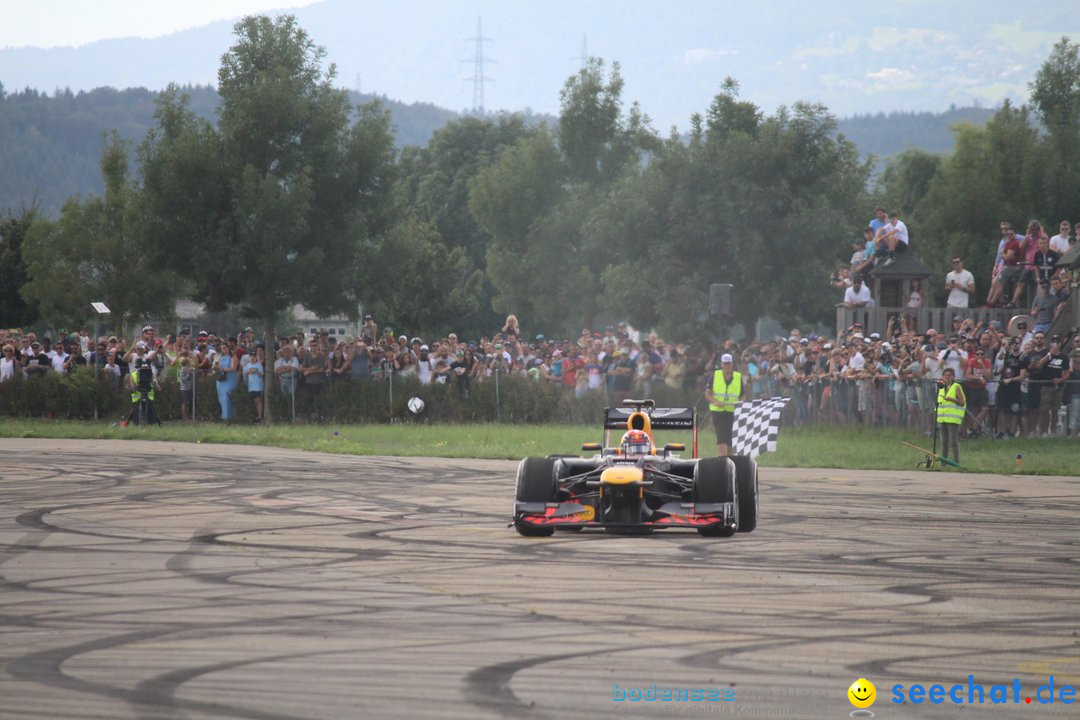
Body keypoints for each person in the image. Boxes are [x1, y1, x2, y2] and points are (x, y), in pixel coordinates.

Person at [705, 352, 747, 457]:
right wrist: (715, 402)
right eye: (725, 363)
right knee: (721, 436)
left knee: (730, 438)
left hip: (732, 411)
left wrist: (741, 403)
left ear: (732, 364)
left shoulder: (738, 377)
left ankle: (730, 458)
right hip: (717, 411)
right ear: (721, 364)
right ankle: (723, 459)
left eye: (729, 363)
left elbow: (743, 394)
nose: (727, 366)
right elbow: (708, 394)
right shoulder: (715, 375)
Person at [936, 368, 966, 464]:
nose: (947, 377)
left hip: (953, 417)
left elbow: (962, 402)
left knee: (953, 441)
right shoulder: (941, 387)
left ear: (953, 377)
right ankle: (943, 462)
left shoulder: (956, 387)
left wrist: (952, 399)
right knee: (944, 441)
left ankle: (956, 461)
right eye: (945, 375)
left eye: (949, 375)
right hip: (943, 417)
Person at [212, 339, 240, 421]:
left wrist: (222, 369)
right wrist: (215, 367)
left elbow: (233, 368)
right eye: (222, 348)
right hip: (221, 381)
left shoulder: (233, 357)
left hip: (230, 380)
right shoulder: (220, 357)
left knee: (227, 398)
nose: (224, 349)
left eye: (225, 347)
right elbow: (215, 367)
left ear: (228, 348)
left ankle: (231, 417)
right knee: (221, 398)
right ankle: (225, 417)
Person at [243, 344, 266, 422]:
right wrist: (249, 371)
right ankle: (252, 416)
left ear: (256, 357)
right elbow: (245, 375)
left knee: (258, 400)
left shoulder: (259, 365)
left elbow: (262, 375)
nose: (252, 358)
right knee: (252, 401)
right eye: (251, 357)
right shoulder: (247, 365)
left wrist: (256, 371)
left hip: (258, 386)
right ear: (249, 358)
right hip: (250, 386)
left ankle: (260, 416)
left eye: (254, 357)